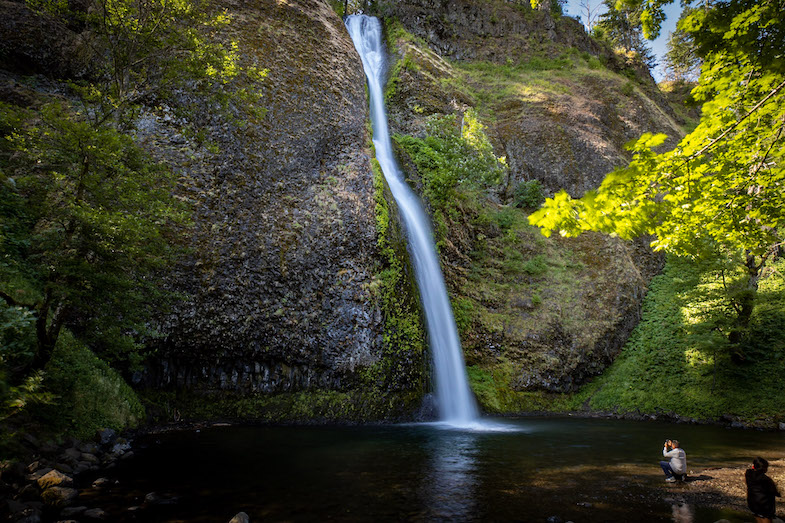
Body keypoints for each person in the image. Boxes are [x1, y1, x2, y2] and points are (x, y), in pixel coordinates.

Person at [745, 456, 781, 523]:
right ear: (764, 469)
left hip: (752, 503)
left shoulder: (748, 474)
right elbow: (774, 492)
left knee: (758, 518)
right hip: (765, 506)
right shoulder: (766, 480)